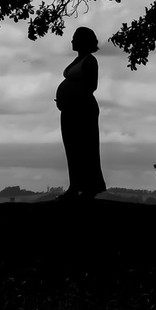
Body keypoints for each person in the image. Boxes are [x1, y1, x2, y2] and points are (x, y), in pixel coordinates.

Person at [54, 26, 107, 201]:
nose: (72, 41)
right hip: (70, 110)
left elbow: (92, 86)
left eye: (75, 38)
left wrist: (72, 97)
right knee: (72, 148)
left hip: (83, 110)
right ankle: (75, 185)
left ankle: (89, 187)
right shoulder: (78, 60)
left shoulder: (90, 61)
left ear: (84, 41)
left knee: (86, 147)